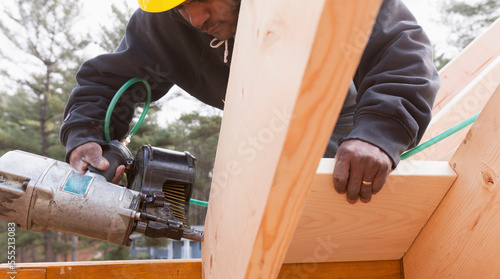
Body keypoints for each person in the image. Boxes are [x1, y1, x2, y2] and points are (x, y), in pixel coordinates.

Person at [60, 0, 440, 204]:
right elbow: (113, 82)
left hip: (343, 127)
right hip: (257, 133)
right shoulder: (164, 23)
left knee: (335, 216)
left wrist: (377, 134)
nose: (195, 17)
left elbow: (400, 47)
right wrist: (87, 136)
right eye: (180, 6)